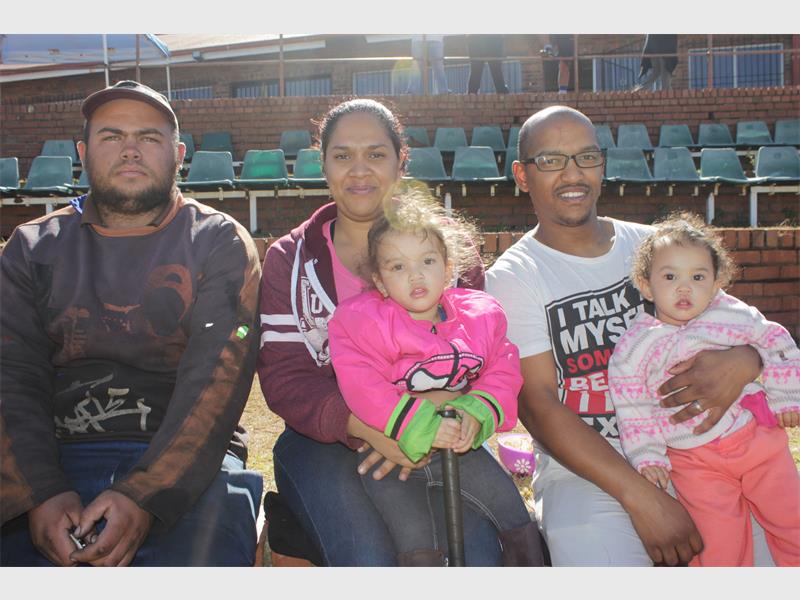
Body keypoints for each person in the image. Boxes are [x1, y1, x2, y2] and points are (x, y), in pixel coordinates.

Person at [484, 105, 770, 566]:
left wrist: (746, 359)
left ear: (602, 165)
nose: (573, 174)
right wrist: (642, 497)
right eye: (551, 160)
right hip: (587, 472)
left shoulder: (655, 245)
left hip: (698, 449)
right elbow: (537, 404)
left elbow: (739, 326)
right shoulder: (515, 276)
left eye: (586, 157)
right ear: (522, 175)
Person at [0, 80, 263, 567]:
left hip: (187, 462)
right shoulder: (31, 247)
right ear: (82, 153)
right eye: (111, 136)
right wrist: (39, 491)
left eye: (149, 137)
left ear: (178, 155)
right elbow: (11, 376)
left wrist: (145, 494)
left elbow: (216, 382)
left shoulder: (218, 242)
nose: (130, 150)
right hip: (57, 452)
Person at [257, 98, 519, 566]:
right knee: (368, 555)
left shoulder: (445, 246)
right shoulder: (290, 259)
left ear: (401, 161)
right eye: (342, 155)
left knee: (478, 553)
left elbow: (482, 355)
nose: (359, 170)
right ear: (323, 164)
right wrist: (373, 431)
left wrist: (426, 420)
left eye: (376, 154)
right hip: (326, 438)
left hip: (441, 426)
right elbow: (285, 379)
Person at [327, 189, 543, 566]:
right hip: (391, 454)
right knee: (415, 538)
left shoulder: (478, 317)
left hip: (460, 446)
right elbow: (361, 384)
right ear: (380, 281)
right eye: (398, 267)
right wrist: (418, 425)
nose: (416, 275)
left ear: (447, 268)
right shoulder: (363, 323)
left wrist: (475, 411)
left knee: (512, 513)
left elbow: (503, 366)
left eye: (427, 261)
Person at [608, 213, 800, 566]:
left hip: (758, 442)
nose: (684, 288)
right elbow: (632, 406)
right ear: (646, 285)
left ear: (715, 284)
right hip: (694, 461)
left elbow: (776, 340)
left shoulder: (731, 314)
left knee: (793, 522)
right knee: (718, 548)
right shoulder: (635, 347)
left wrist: (786, 395)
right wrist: (648, 456)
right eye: (670, 277)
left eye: (698, 277)